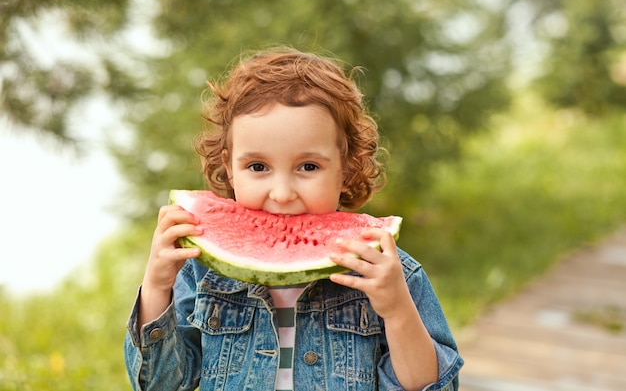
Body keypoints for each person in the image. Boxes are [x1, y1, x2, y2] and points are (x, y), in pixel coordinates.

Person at [124, 47, 463, 391]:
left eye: (308, 167)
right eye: (258, 167)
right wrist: (155, 289)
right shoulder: (201, 271)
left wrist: (398, 311)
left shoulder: (392, 273)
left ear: (345, 168)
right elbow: (161, 385)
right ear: (229, 166)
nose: (282, 193)